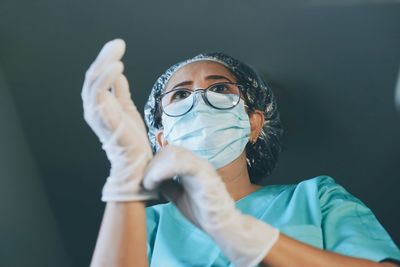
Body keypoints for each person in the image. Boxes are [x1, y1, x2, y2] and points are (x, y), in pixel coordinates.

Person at [82, 39, 400, 267]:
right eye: (180, 94)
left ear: (253, 124)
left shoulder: (315, 198)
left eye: (219, 88)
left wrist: (245, 237)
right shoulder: (147, 223)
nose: (198, 102)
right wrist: (125, 174)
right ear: (161, 138)